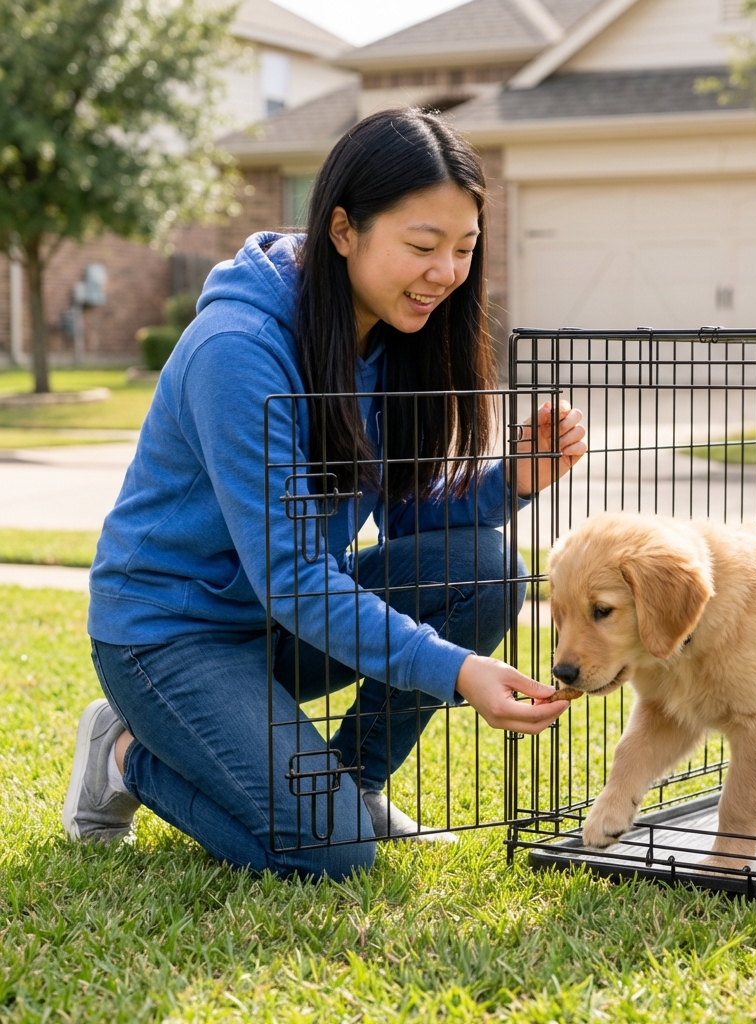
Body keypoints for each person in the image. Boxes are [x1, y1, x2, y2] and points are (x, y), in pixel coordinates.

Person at [62, 108, 587, 881]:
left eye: (464, 249)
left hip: (275, 630)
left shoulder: (391, 341)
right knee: (334, 853)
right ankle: (126, 754)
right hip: (170, 638)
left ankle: (354, 783)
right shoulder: (238, 351)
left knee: (485, 566)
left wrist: (511, 482)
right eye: (422, 246)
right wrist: (458, 670)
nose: (446, 272)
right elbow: (297, 579)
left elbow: (405, 515)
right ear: (343, 229)